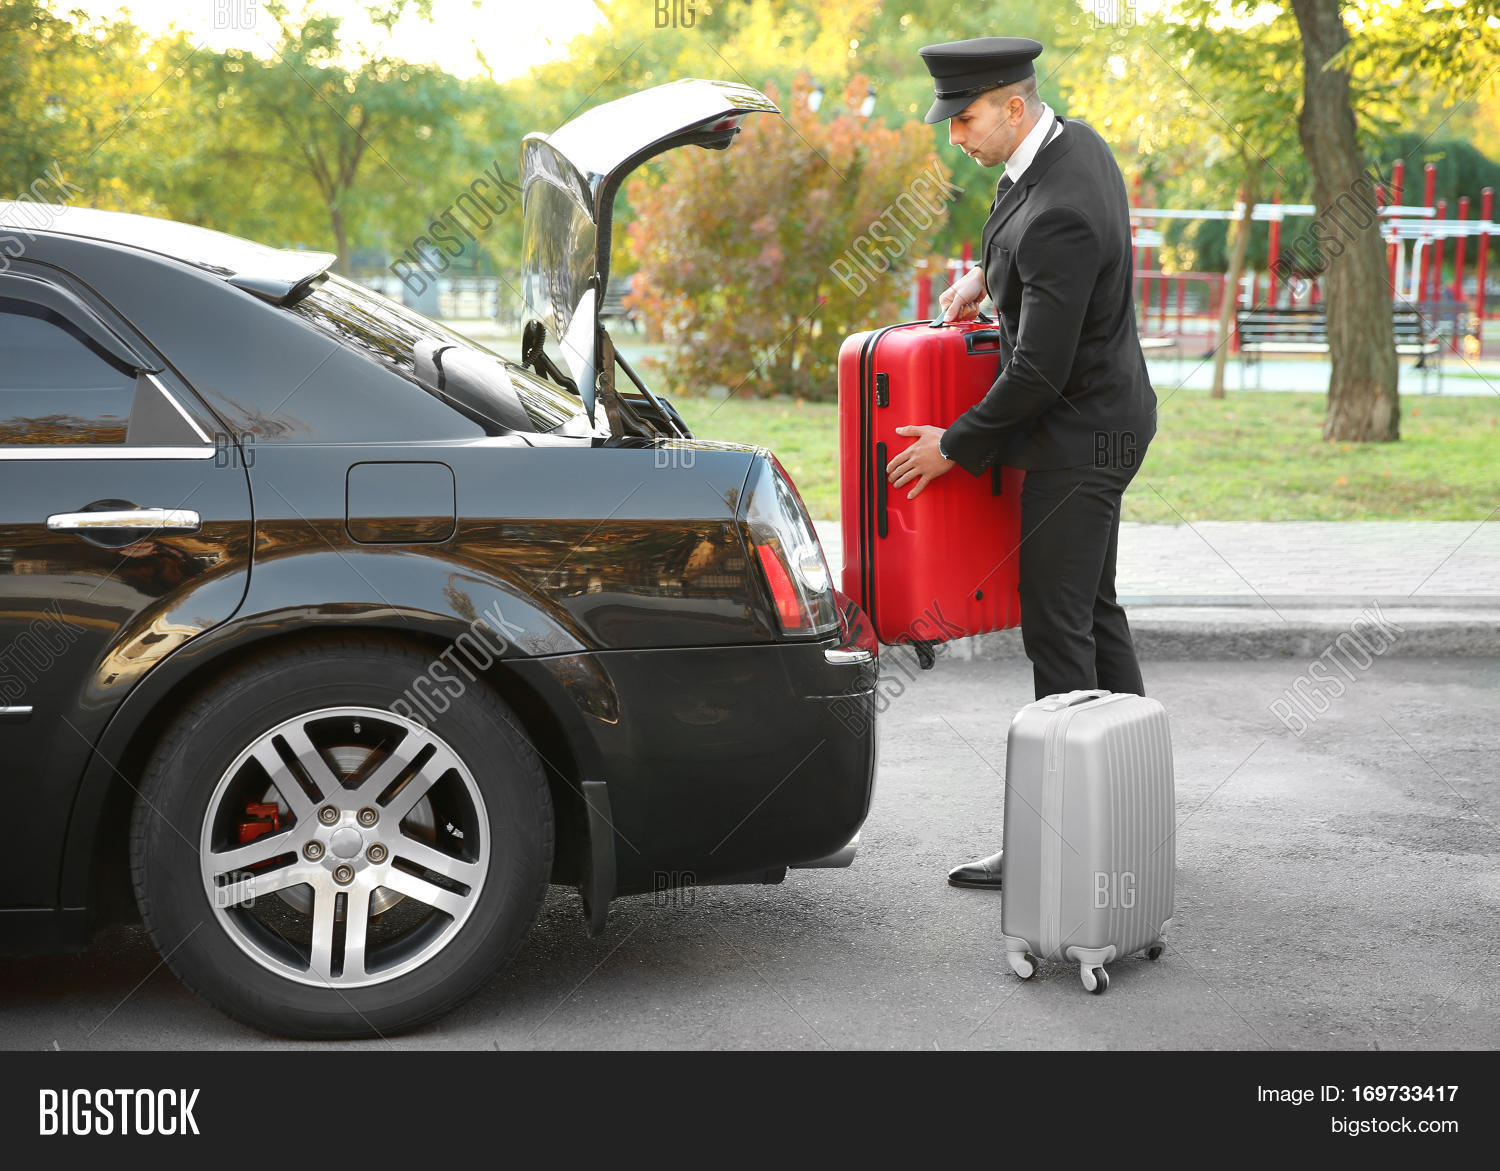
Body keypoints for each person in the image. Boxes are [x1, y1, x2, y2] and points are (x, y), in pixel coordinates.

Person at [884, 36, 1157, 890]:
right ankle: (1129, 819)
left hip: (1081, 437)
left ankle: (1064, 846)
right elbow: (1034, 259)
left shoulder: (1061, 205)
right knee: (1093, 614)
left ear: (1012, 104)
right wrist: (982, 278)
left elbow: (1037, 370)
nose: (953, 135)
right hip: (1106, 419)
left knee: (1058, 629)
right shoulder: (1071, 145)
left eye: (963, 117)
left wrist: (953, 447)